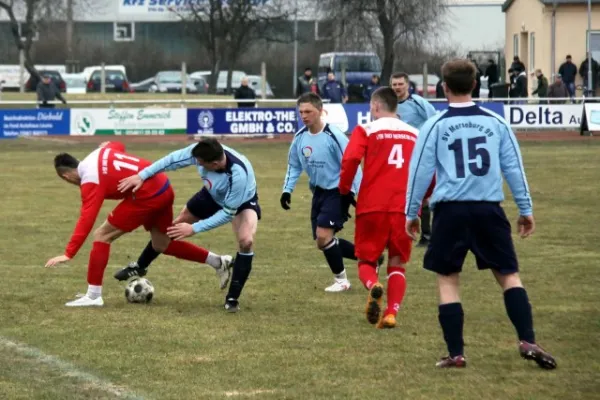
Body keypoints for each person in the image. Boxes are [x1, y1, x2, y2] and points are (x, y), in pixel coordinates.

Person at [405, 58, 557, 370]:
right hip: (489, 209)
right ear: (475, 85)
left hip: (449, 212)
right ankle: (527, 339)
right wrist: (525, 210)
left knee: (448, 280)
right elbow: (514, 168)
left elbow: (419, 171)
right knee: (509, 276)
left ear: (443, 88)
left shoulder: (434, 125)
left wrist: (411, 211)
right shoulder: (496, 122)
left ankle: (456, 353)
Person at [45, 141, 232, 307]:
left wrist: (69, 253)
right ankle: (218, 261)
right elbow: (117, 145)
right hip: (164, 187)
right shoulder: (95, 155)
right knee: (161, 244)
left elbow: (87, 217)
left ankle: (93, 295)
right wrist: (107, 146)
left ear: (67, 177)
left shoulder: (89, 180)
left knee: (102, 235)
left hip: (147, 195)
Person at [117, 138, 260, 313]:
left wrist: (194, 228)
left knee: (246, 241)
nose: (197, 164)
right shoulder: (201, 151)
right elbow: (171, 160)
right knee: (173, 228)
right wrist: (142, 175)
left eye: (200, 163)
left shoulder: (238, 175)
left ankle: (232, 299)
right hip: (211, 196)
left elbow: (227, 214)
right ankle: (140, 266)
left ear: (214, 164)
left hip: (242, 202)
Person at [339, 87, 432, 329]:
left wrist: (344, 190)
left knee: (366, 261)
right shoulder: (415, 134)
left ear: (376, 106)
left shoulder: (366, 130)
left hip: (373, 206)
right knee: (397, 263)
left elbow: (349, 160)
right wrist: (422, 201)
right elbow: (429, 172)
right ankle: (391, 313)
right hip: (405, 208)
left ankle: (373, 285)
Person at [281, 92, 374, 292]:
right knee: (322, 241)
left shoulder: (334, 135)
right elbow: (294, 165)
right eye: (301, 112)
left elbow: (352, 164)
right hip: (319, 192)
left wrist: (356, 192)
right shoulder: (299, 137)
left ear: (320, 111)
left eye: (308, 111)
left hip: (338, 191)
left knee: (323, 237)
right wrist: (286, 191)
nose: (304, 116)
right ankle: (370, 258)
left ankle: (342, 281)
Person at [390, 72, 437, 247]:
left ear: (407, 85)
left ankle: (427, 235)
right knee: (398, 193)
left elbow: (435, 122)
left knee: (421, 194)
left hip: (418, 155)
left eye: (400, 84)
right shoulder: (390, 105)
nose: (397, 87)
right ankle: (400, 232)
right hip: (397, 156)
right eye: (394, 84)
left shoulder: (418, 103)